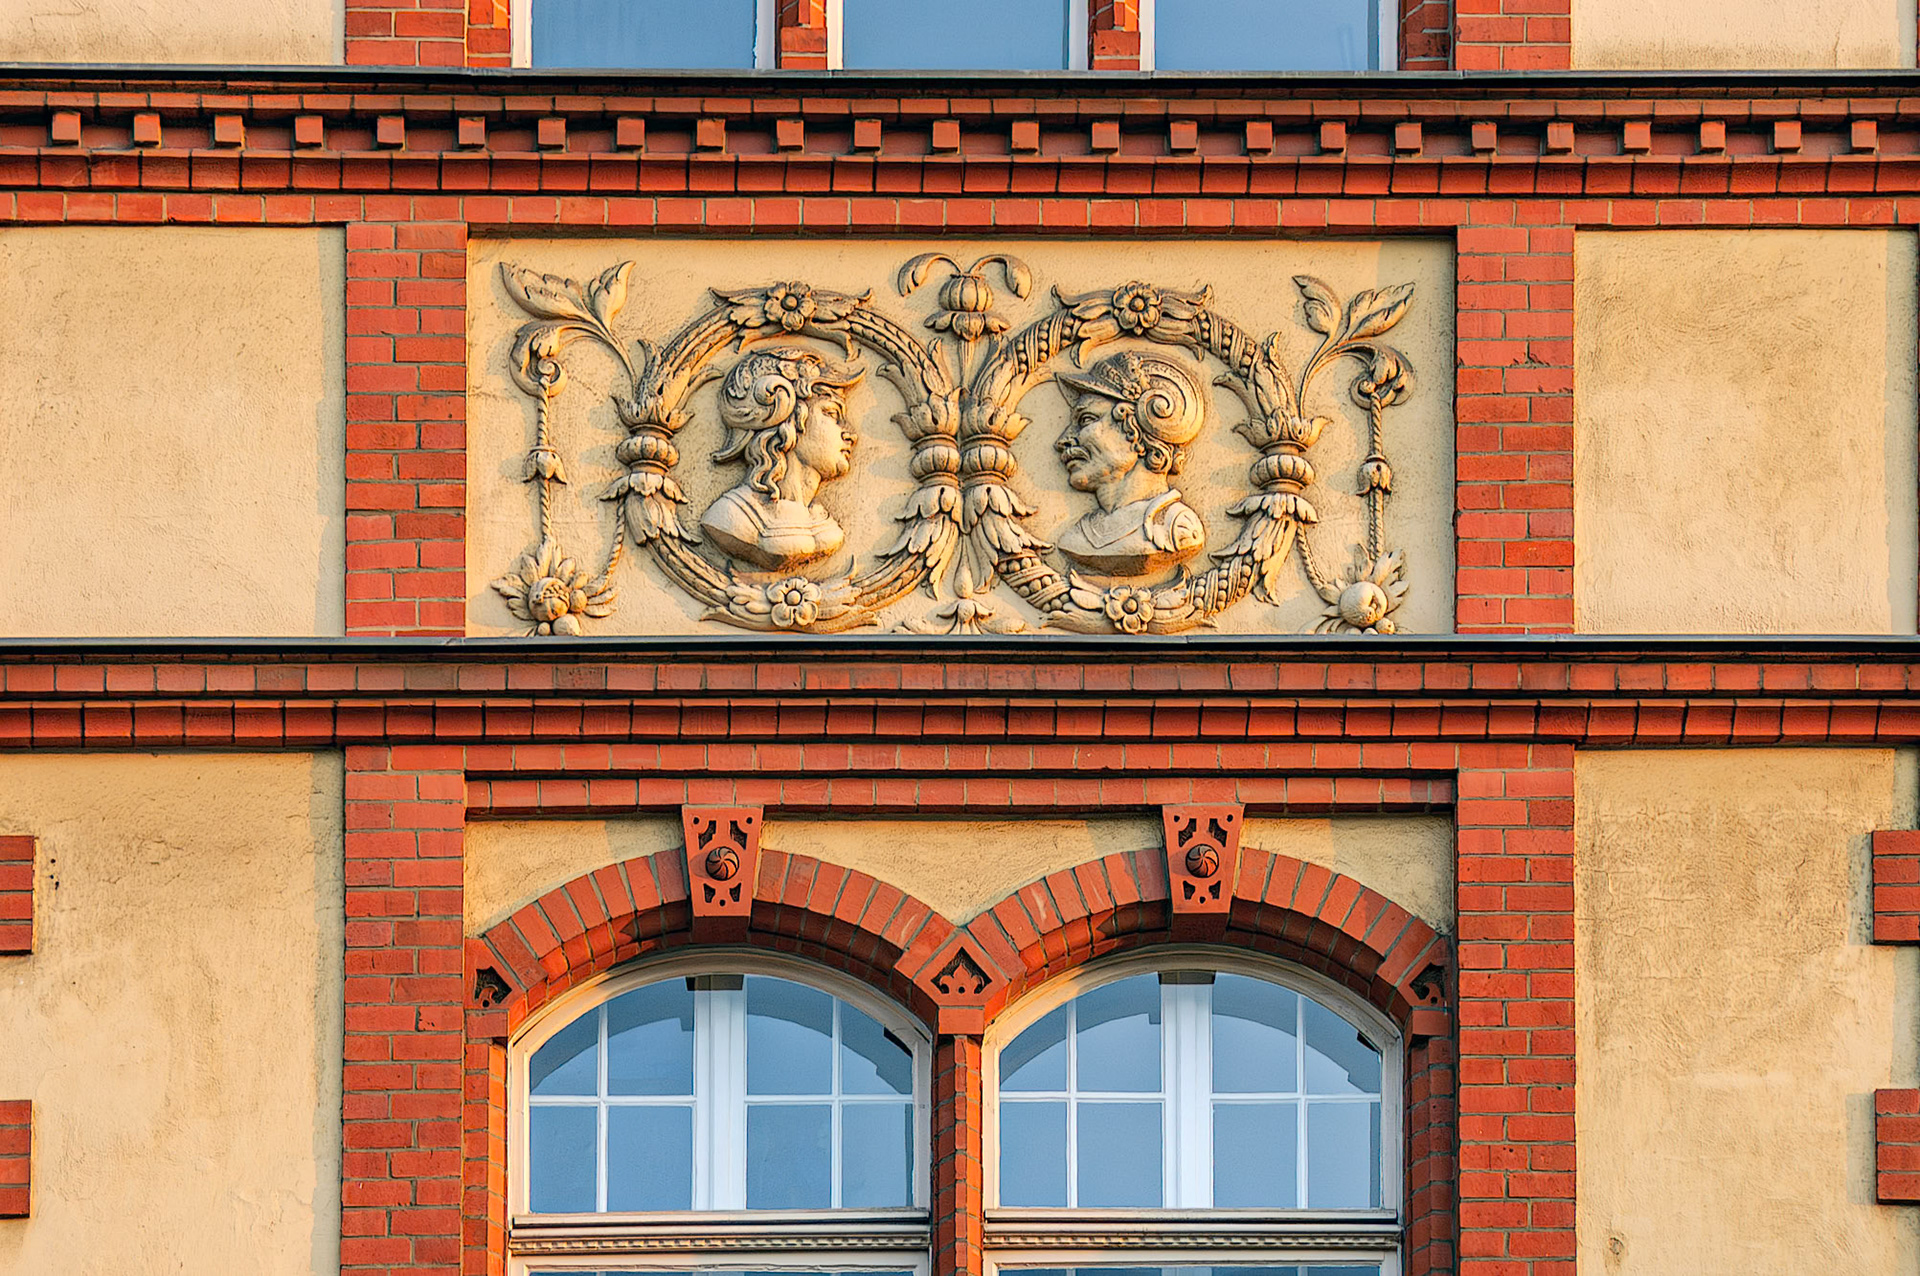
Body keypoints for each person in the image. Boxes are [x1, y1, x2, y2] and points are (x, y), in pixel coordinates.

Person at [700, 347, 864, 571]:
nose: (849, 434)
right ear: (787, 417)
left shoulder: (822, 525)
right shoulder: (732, 519)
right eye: (831, 414)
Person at [1052, 350, 1208, 576]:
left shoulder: (1177, 530)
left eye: (1086, 420)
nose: (1063, 441)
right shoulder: (1076, 538)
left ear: (1135, 426)